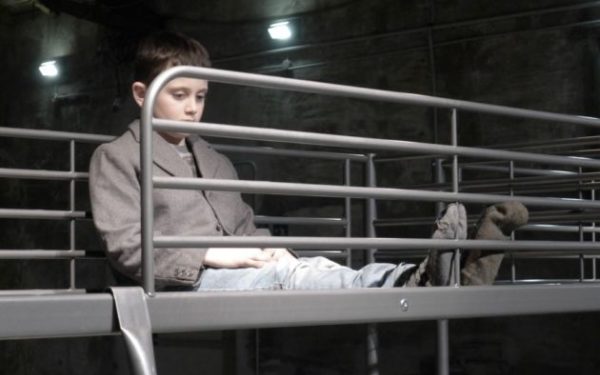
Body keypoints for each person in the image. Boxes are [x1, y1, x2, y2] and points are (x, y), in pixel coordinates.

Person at [89, 31, 529, 291]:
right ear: (142, 95)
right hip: (178, 283)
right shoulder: (116, 157)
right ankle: (421, 278)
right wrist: (210, 254)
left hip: (238, 271)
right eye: (179, 94)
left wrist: (266, 247)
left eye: (200, 96)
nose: (192, 108)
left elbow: (243, 228)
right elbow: (127, 247)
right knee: (296, 276)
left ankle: (421, 277)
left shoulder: (215, 160)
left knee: (306, 268)